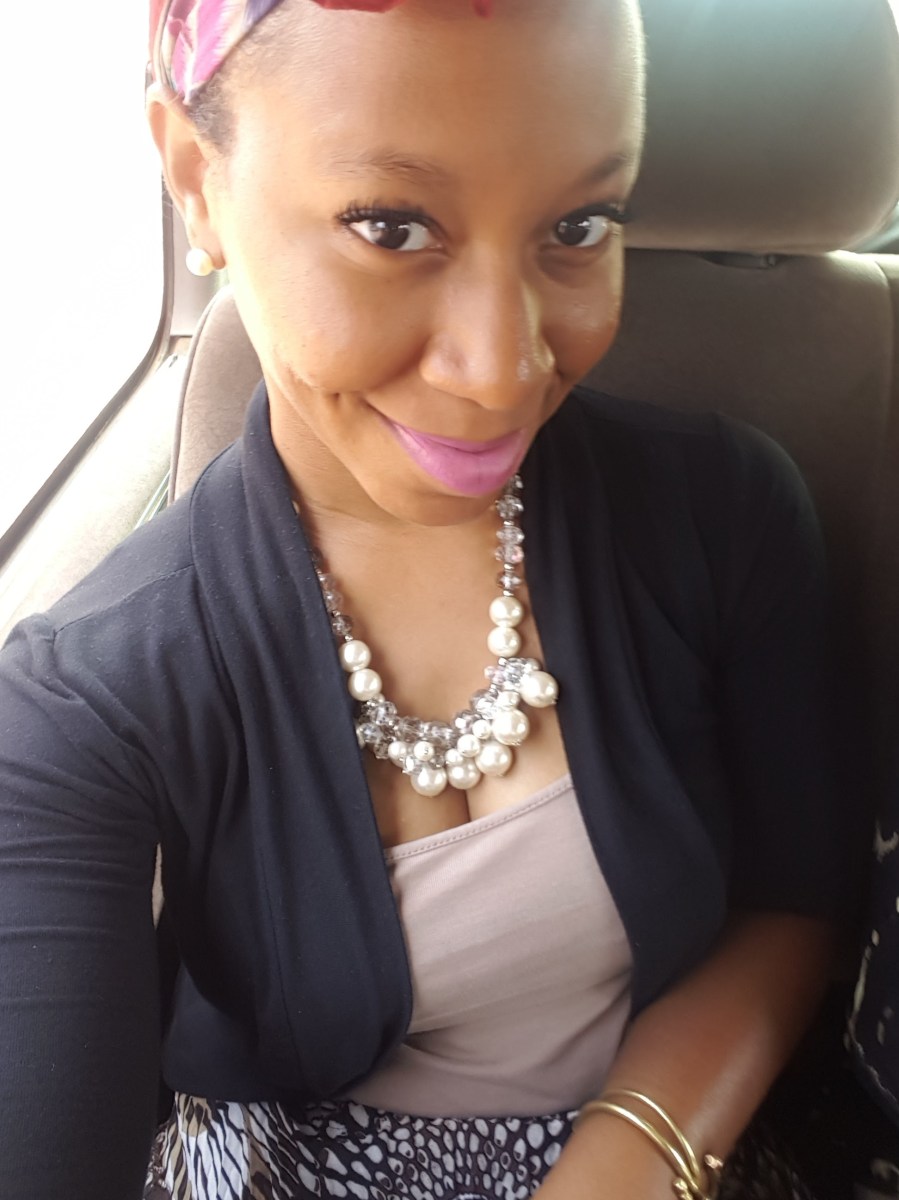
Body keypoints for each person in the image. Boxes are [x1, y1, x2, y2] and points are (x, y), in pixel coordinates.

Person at [0, 0, 856, 1197]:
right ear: (197, 180)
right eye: (390, 227)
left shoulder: (723, 516)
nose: (503, 370)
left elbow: (796, 896)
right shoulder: (83, 696)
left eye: (577, 226)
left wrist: (630, 1157)